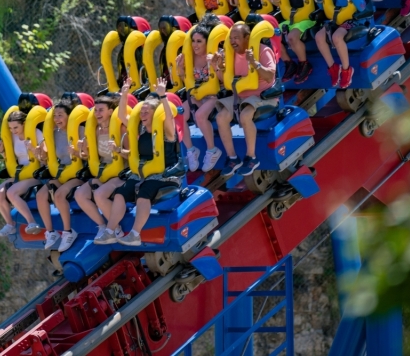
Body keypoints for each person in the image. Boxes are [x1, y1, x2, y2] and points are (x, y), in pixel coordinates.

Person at [98, 78, 185, 246]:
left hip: (165, 175)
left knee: (144, 193)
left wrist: (163, 97)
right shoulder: (141, 130)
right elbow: (123, 115)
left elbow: (169, 117)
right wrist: (124, 94)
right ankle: (110, 231)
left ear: (155, 114)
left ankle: (135, 234)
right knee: (121, 193)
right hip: (142, 174)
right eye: (141, 112)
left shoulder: (167, 132)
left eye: (146, 112)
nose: (142, 115)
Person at [213, 23, 278, 177]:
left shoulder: (263, 50)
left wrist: (254, 62)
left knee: (245, 116)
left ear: (247, 38)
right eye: (231, 38)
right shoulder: (231, 54)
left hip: (263, 96)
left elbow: (270, 76)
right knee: (221, 117)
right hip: (240, 95)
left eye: (236, 38)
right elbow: (225, 82)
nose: (233, 41)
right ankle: (233, 158)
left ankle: (251, 157)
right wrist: (217, 66)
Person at [72, 91, 128, 242]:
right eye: (95, 110)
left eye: (101, 110)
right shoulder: (95, 131)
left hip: (120, 175)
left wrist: (117, 149)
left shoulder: (120, 129)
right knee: (79, 195)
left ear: (110, 111)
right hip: (102, 174)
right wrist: (81, 151)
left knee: (99, 194)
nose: (97, 113)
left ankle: (116, 229)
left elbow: (131, 155)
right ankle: (104, 227)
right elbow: (86, 157)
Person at [33, 93, 84, 252]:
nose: (56, 119)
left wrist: (77, 152)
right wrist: (39, 153)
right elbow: (46, 159)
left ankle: (68, 232)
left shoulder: (81, 131)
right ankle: (51, 232)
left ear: (70, 116)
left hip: (78, 174)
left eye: (60, 115)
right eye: (54, 116)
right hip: (61, 174)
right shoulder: (54, 134)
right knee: (41, 195)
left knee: (60, 194)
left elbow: (89, 156)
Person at [174, 24, 225, 172]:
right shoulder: (189, 56)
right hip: (197, 94)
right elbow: (187, 81)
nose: (195, 45)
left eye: (199, 41)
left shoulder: (217, 54)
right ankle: (191, 150)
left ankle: (212, 149)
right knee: (180, 113)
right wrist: (180, 69)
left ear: (207, 42)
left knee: (200, 115)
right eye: (193, 41)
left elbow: (224, 80)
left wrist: (215, 64)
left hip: (216, 95)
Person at [271, 0, 321, 85]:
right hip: (292, 19)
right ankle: (289, 63)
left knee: (292, 37)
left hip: (307, 19)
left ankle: (304, 64)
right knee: (272, 34)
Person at [0, 111, 45, 237]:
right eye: (10, 128)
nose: (13, 131)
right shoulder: (13, 138)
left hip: (35, 174)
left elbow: (44, 158)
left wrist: (33, 148)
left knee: (12, 192)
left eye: (16, 127)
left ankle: (32, 223)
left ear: (24, 124)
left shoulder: (36, 134)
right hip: (19, 174)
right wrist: (1, 151)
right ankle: (10, 225)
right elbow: (10, 159)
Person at [315, 0, 368, 89]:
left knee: (337, 37)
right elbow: (324, 8)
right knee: (319, 37)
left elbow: (362, 7)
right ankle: (333, 68)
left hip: (353, 19)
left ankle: (347, 70)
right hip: (337, 19)